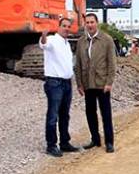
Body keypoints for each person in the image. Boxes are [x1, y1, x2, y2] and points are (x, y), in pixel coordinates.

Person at [75, 13, 117, 153]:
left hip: (102, 83)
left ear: (96, 23)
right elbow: (78, 64)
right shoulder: (81, 41)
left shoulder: (106, 40)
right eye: (87, 22)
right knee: (90, 112)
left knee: (106, 114)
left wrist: (109, 82)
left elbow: (112, 63)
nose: (90, 25)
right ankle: (95, 139)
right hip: (87, 84)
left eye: (92, 22)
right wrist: (79, 83)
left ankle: (109, 142)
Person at [39, 18, 79, 157]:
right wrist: (43, 35)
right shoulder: (52, 40)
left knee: (64, 115)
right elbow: (44, 45)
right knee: (53, 115)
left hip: (66, 83)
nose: (66, 28)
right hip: (55, 83)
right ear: (58, 27)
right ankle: (51, 145)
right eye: (64, 26)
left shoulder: (66, 43)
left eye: (68, 26)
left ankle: (64, 142)